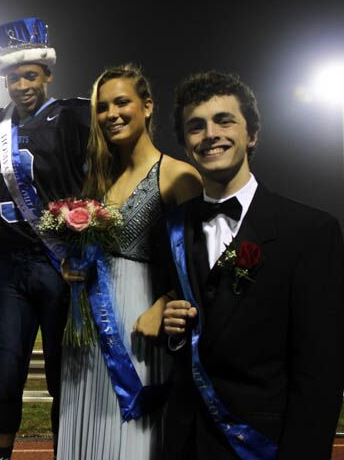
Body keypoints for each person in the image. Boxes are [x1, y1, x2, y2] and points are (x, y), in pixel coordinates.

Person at [162, 71, 344, 459]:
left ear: (252, 135)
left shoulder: (311, 232)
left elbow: (321, 371)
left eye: (224, 121)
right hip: (184, 443)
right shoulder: (170, 228)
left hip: (262, 445)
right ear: (186, 144)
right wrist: (171, 329)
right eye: (196, 127)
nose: (210, 134)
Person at [57, 65, 201, 459]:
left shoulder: (178, 176)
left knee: (129, 431)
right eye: (102, 107)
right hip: (86, 324)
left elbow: (200, 266)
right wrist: (71, 265)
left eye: (122, 102)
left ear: (147, 106)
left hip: (138, 321)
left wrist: (166, 300)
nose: (111, 114)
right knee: (86, 425)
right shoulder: (98, 179)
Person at [0, 18, 90, 460]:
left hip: (61, 266)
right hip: (12, 268)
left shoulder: (76, 116)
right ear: (3, 78)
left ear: (47, 74)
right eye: (14, 76)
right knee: (4, 373)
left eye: (31, 74)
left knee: (63, 376)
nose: (22, 84)